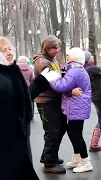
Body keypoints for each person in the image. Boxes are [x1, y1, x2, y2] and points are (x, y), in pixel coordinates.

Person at [0, 37, 61, 180]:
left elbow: (23, 98)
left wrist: (42, 81)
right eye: (3, 50)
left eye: (9, 48)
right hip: (5, 139)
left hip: (19, 137)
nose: (8, 52)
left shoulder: (12, 69)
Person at [50, 48, 93, 173]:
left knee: (76, 134)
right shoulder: (77, 69)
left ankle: (85, 161)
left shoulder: (74, 71)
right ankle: (77, 158)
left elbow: (61, 86)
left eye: (68, 55)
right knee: (73, 132)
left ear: (73, 57)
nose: (66, 56)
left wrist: (51, 76)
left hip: (77, 107)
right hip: (78, 107)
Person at [33, 35, 69, 173]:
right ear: (46, 48)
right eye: (54, 48)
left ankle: (48, 155)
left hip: (54, 99)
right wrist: (70, 88)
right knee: (52, 131)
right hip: (45, 101)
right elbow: (55, 82)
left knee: (61, 128)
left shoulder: (51, 59)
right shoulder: (42, 62)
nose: (58, 50)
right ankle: (49, 163)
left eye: (58, 47)